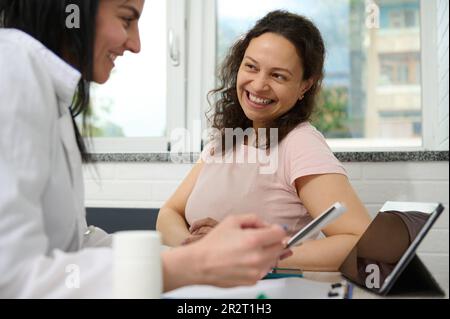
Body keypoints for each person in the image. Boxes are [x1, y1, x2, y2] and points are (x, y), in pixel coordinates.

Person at [0, 0, 290, 298]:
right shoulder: (12, 67)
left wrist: (197, 253)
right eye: (126, 19)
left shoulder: (46, 90)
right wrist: (192, 264)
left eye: (279, 75)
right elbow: (12, 278)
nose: (136, 44)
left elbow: (75, 245)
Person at [157, 10, 372, 272]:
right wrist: (195, 248)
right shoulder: (227, 139)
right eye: (251, 67)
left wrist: (248, 251)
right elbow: (169, 213)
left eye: (278, 75)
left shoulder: (300, 144)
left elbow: (361, 243)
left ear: (305, 85)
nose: (258, 85)